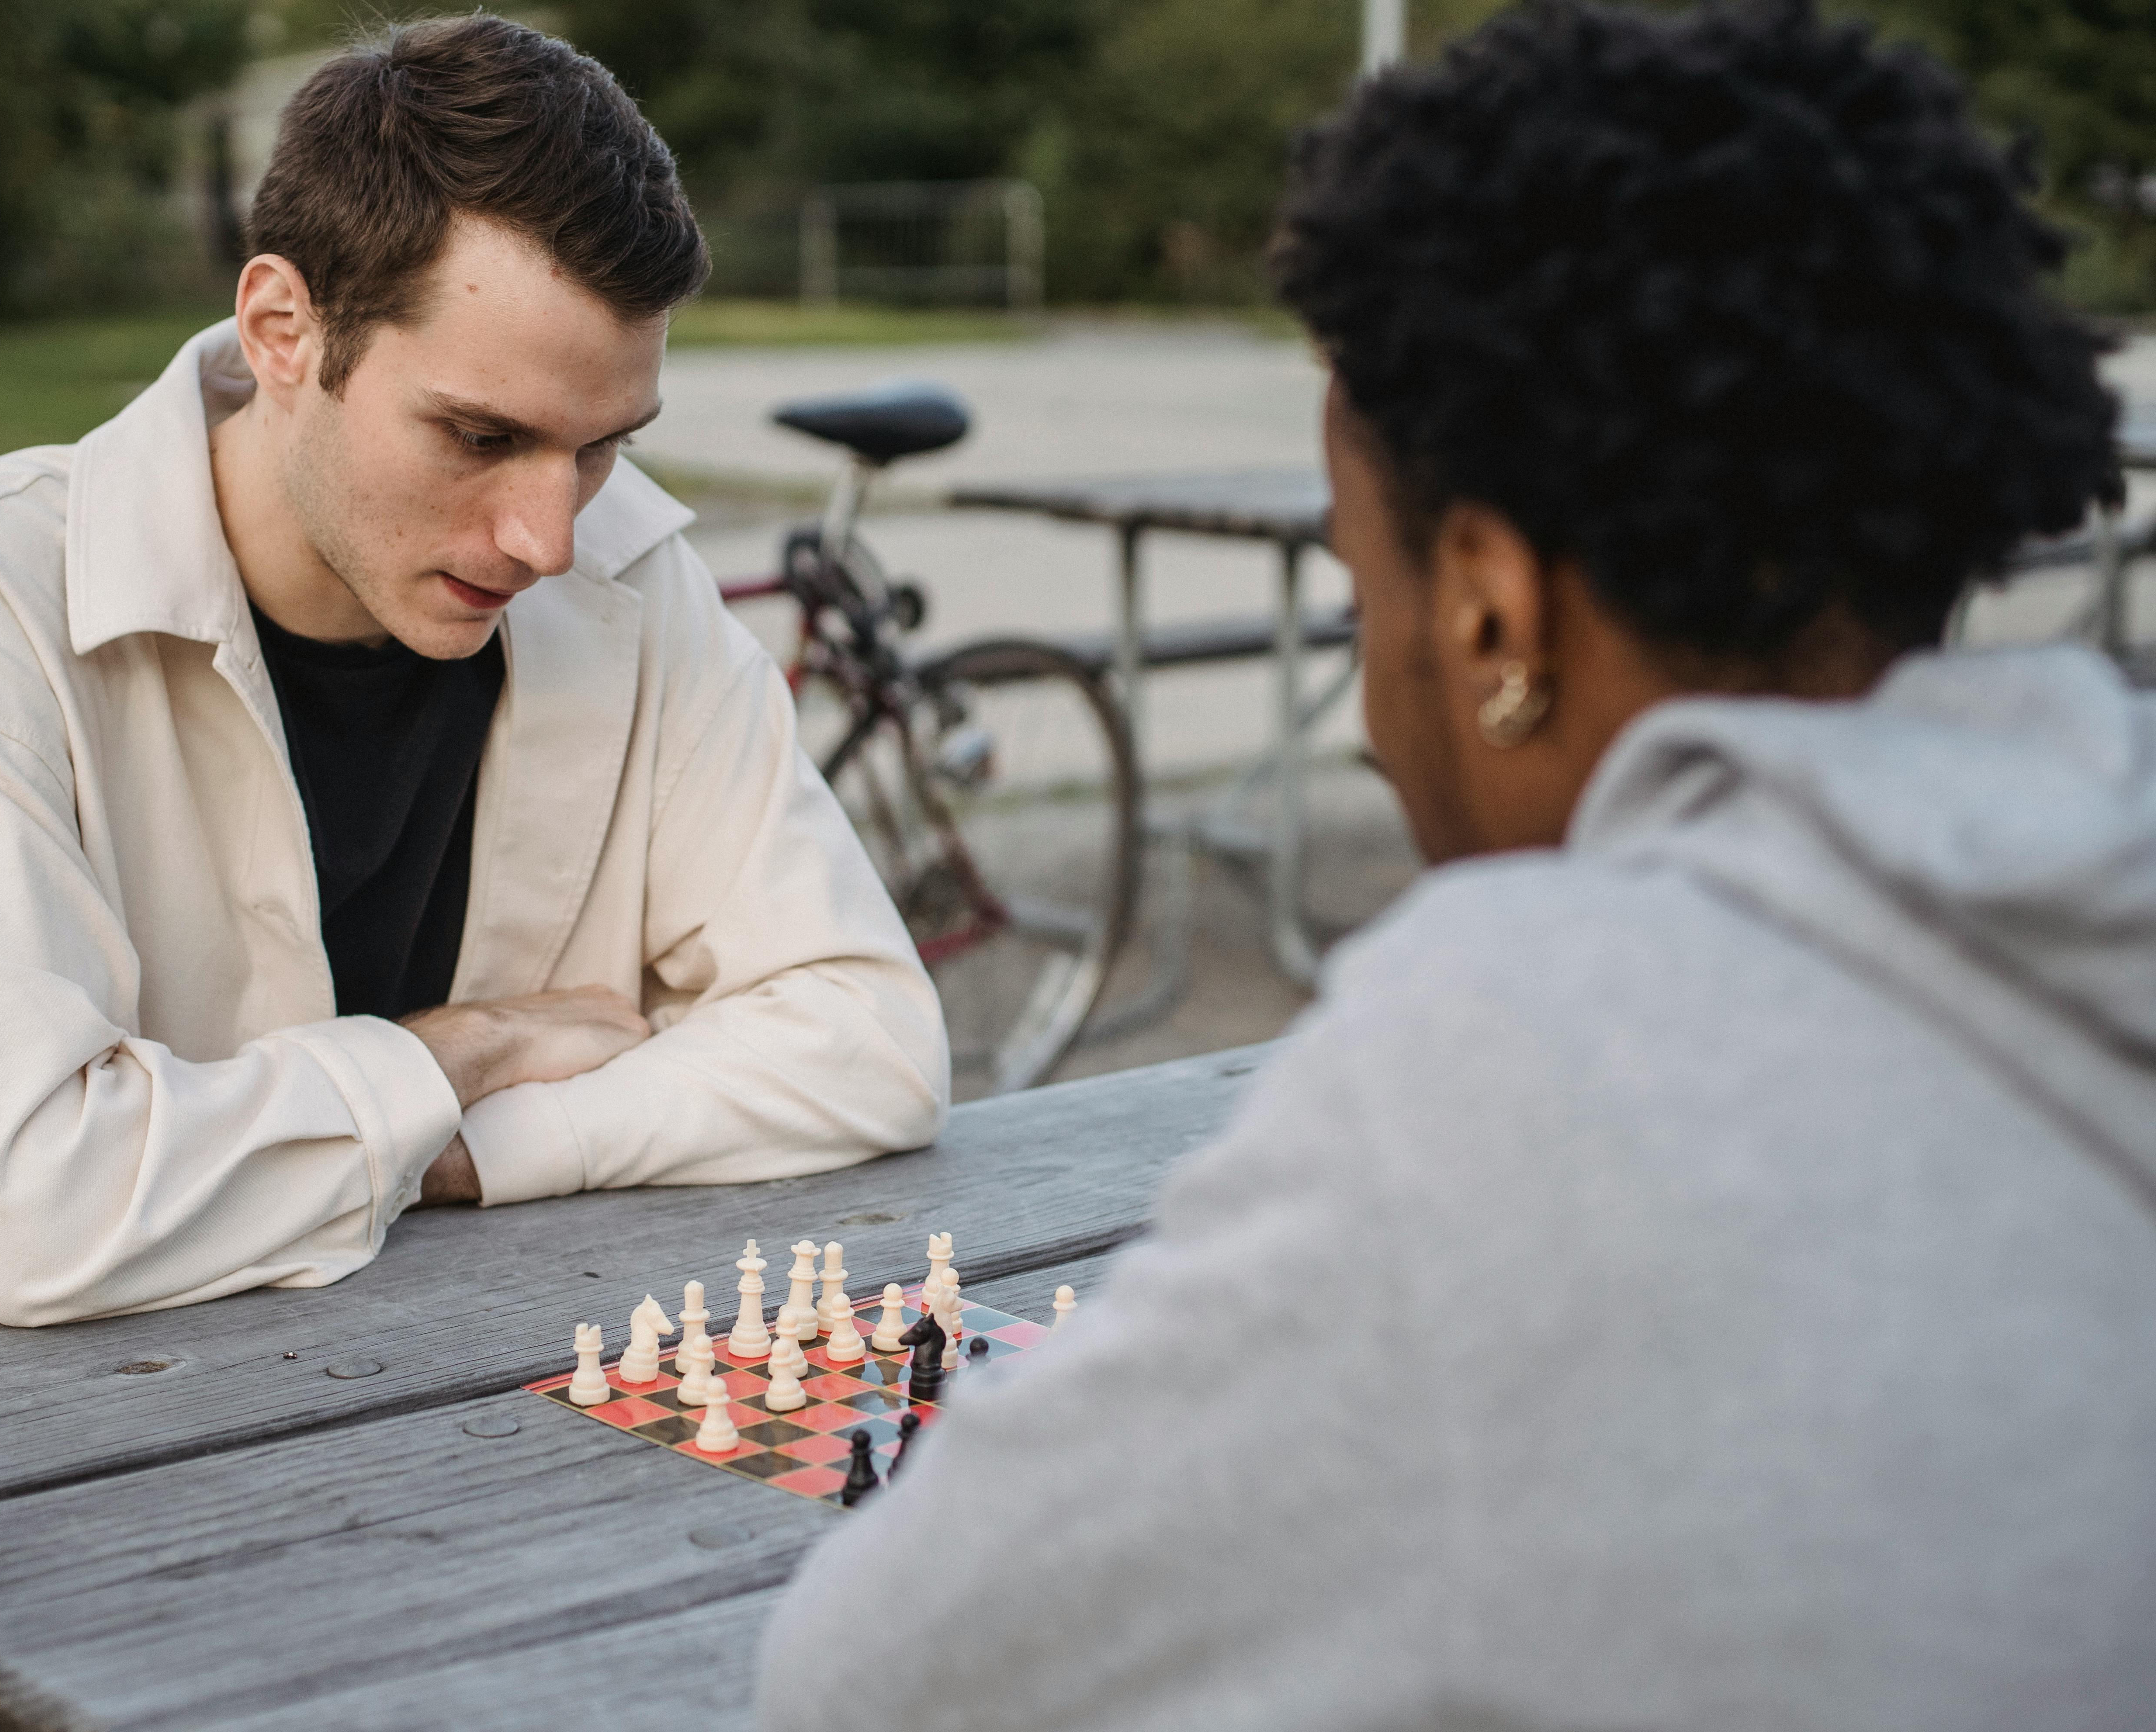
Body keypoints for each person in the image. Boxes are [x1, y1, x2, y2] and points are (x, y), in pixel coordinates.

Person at [757, 3, 2155, 1727]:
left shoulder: (1529, 1041)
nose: (1365, 702)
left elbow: (876, 1672)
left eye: (1368, 591)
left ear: (1491, 606)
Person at [0, 16, 946, 1336]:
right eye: (481, 435)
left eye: (600, 447)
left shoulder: (632, 567)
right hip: (16, 1474)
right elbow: (32, 1207)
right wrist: (460, 1057)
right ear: (283, 328)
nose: (549, 537)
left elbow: (873, 1042)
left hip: (466, 1417)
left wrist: (460, 1153)